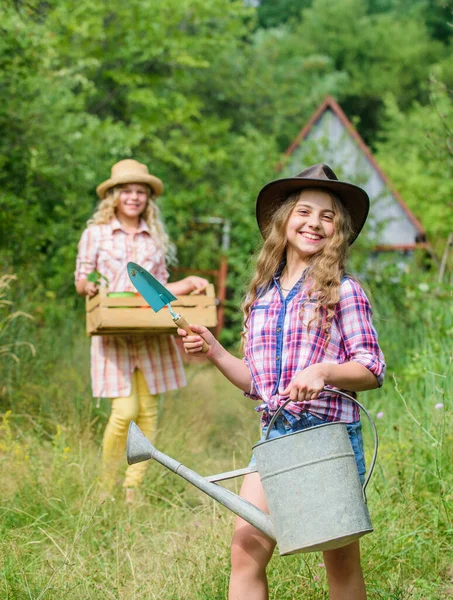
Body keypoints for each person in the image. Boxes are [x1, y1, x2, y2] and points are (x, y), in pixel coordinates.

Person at [178, 164, 386, 600]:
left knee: (340, 559)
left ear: (339, 230)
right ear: (283, 220)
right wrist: (215, 352)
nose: (314, 223)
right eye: (304, 212)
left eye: (327, 216)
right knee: (246, 549)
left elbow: (371, 368)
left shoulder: (344, 291)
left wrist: (324, 371)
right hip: (274, 438)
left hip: (327, 438)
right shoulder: (263, 297)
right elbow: (257, 382)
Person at [75, 159, 208, 503]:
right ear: (114, 196)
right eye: (127, 191)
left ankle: (132, 487)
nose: (134, 197)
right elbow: (82, 275)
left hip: (149, 333)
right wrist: (86, 286)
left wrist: (188, 283)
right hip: (114, 331)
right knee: (124, 412)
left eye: (141, 192)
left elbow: (157, 288)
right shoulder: (97, 234)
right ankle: (105, 487)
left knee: (148, 411)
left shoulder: (153, 239)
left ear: (147, 198)